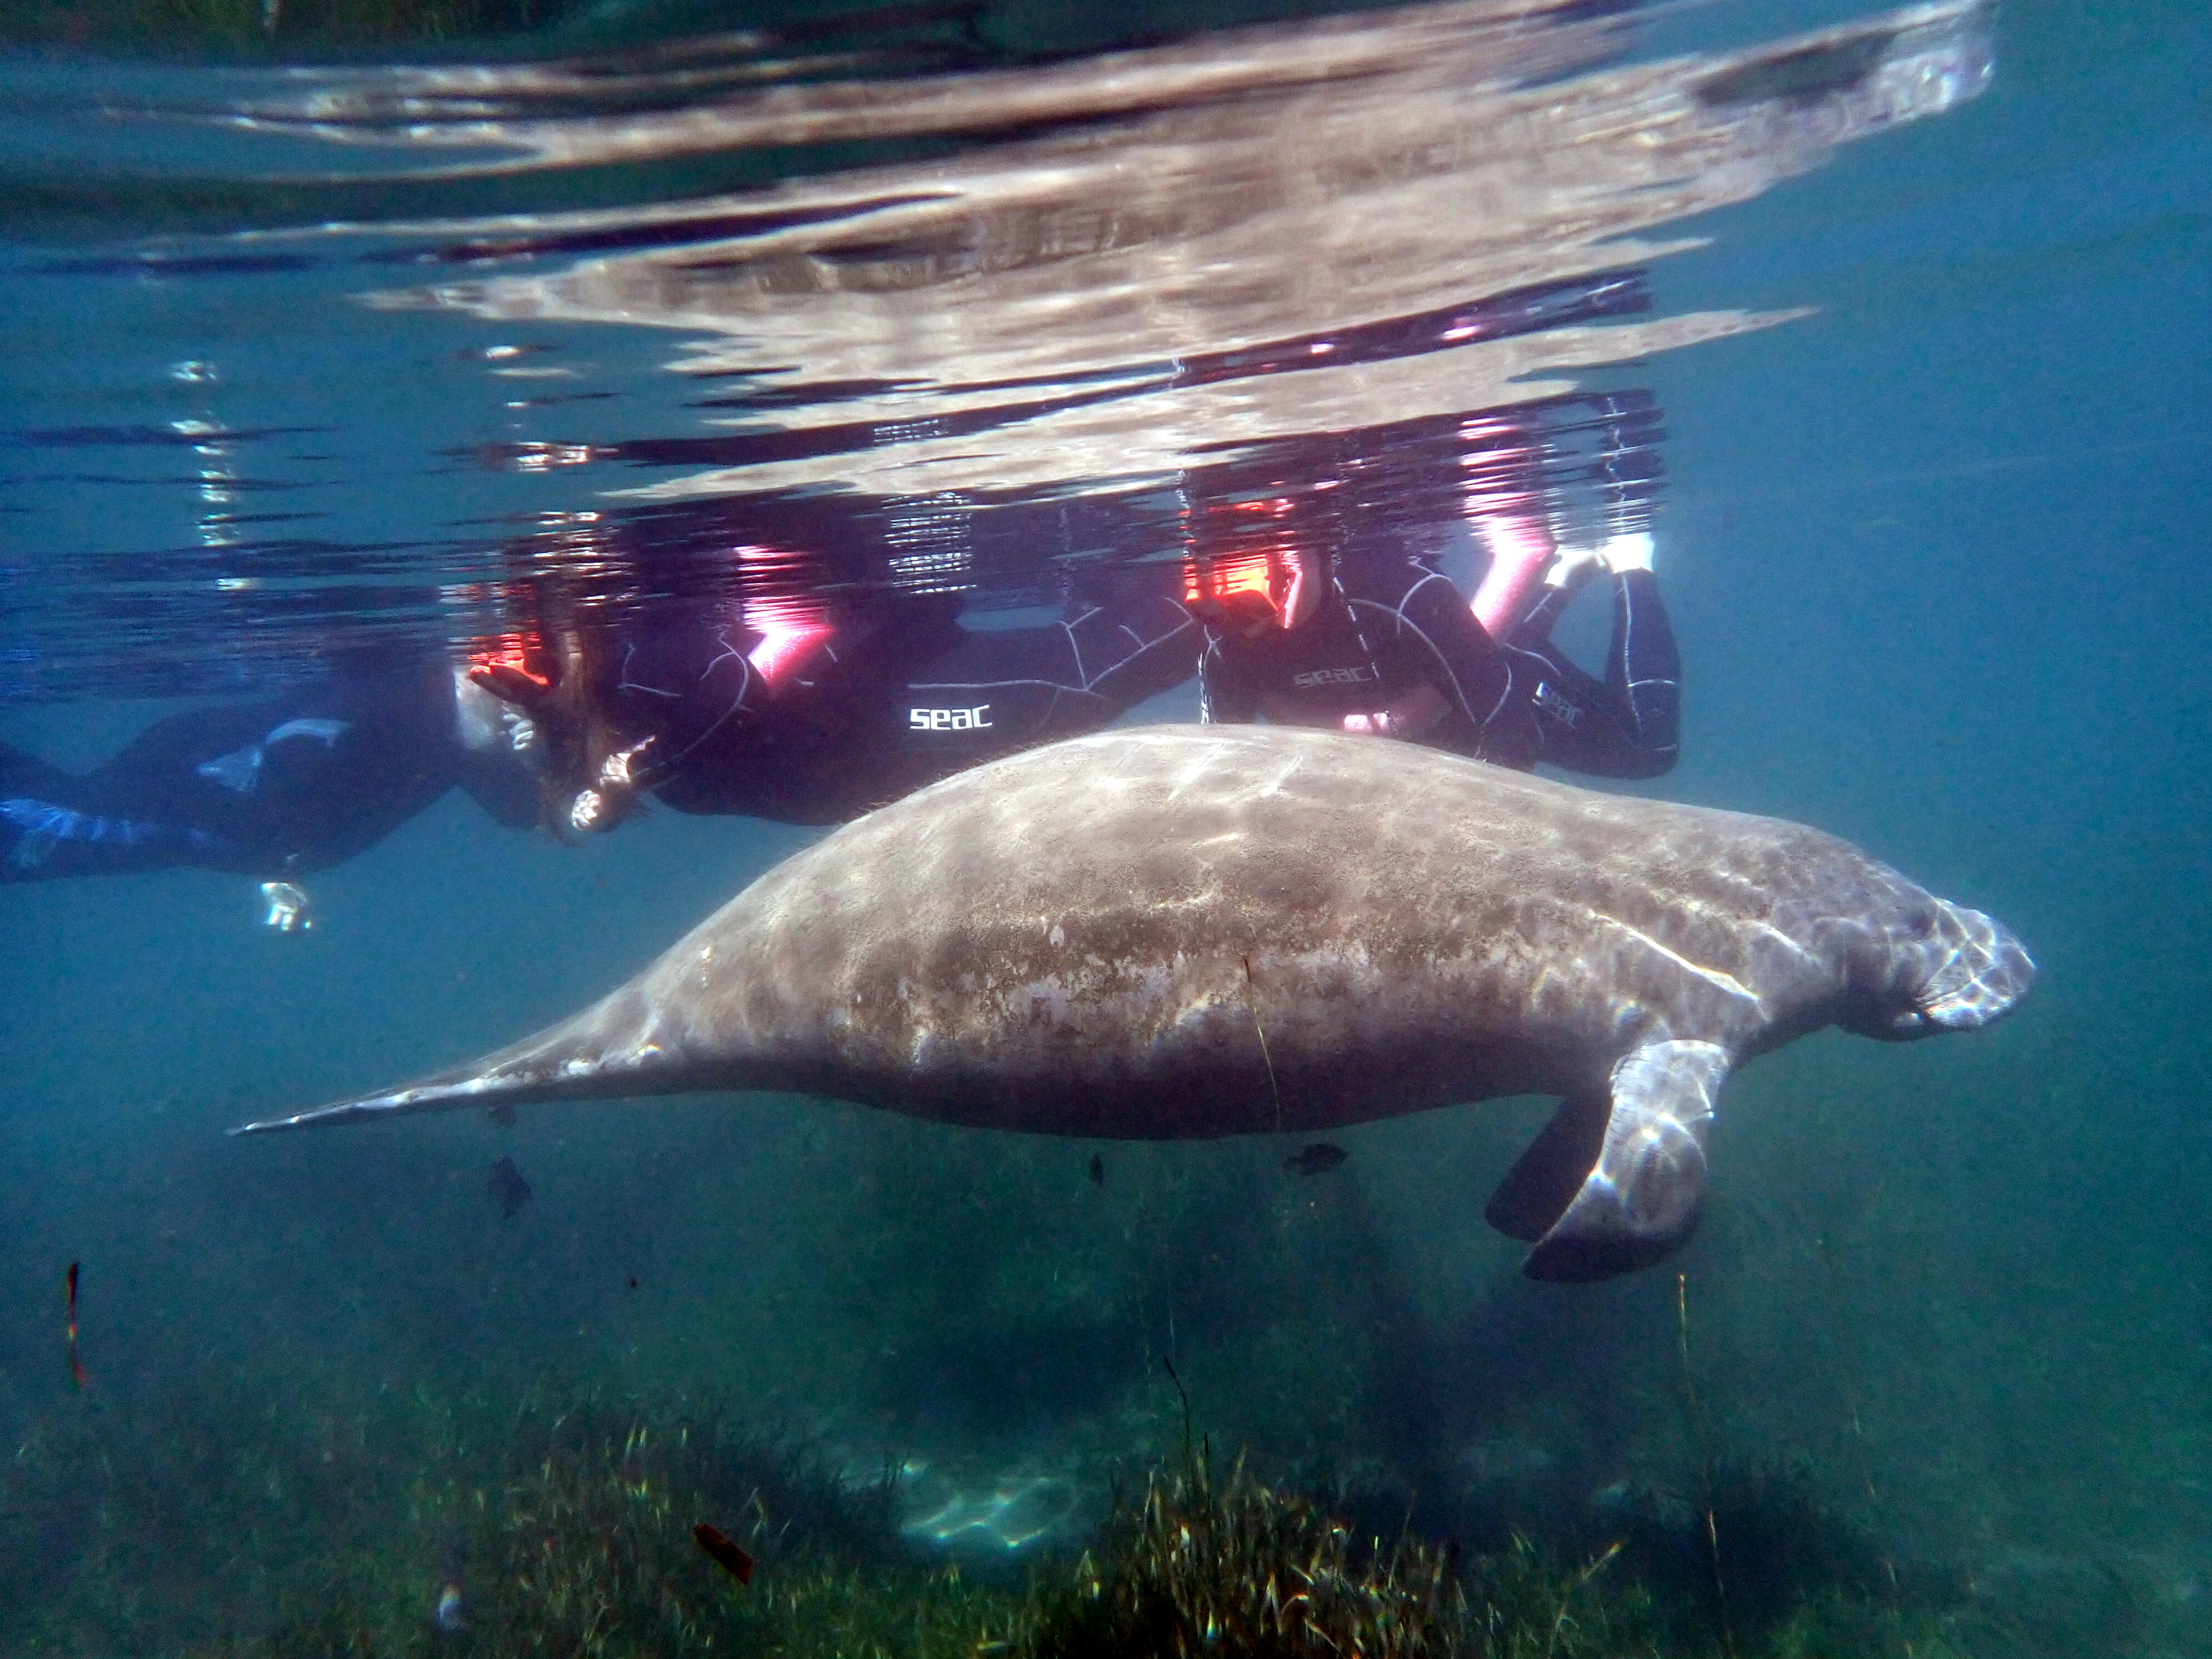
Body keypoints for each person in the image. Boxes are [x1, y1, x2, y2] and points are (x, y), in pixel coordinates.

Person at [1188, 530, 1678, 779]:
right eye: (1215, 614)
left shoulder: (1398, 595)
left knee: (1649, 752)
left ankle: (1632, 563)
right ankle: (1562, 581)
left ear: (1306, 560)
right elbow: (1224, 768)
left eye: (1253, 605)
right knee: (1468, 652)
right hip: (1448, 666)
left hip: (1481, 689)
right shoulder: (1227, 652)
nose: (1245, 629)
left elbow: (1513, 732)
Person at [0, 656, 539, 881]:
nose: (519, 691)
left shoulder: (454, 733)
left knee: (68, 820)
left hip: (246, 820)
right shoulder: (407, 696)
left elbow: (521, 808)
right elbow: (295, 746)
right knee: (63, 820)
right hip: (222, 798)